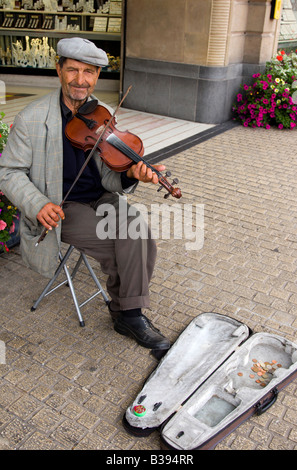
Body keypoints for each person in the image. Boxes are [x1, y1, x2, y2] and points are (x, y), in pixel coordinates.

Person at [0, 38, 170, 352]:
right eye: (73, 70)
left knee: (140, 233)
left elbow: (110, 172)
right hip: (63, 206)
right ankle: (129, 315)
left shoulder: (100, 115)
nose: (81, 80)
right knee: (120, 245)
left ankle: (126, 312)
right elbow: (8, 172)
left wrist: (130, 172)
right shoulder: (32, 118)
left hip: (102, 197)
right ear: (59, 70)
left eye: (89, 72)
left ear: (96, 76)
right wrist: (38, 204)